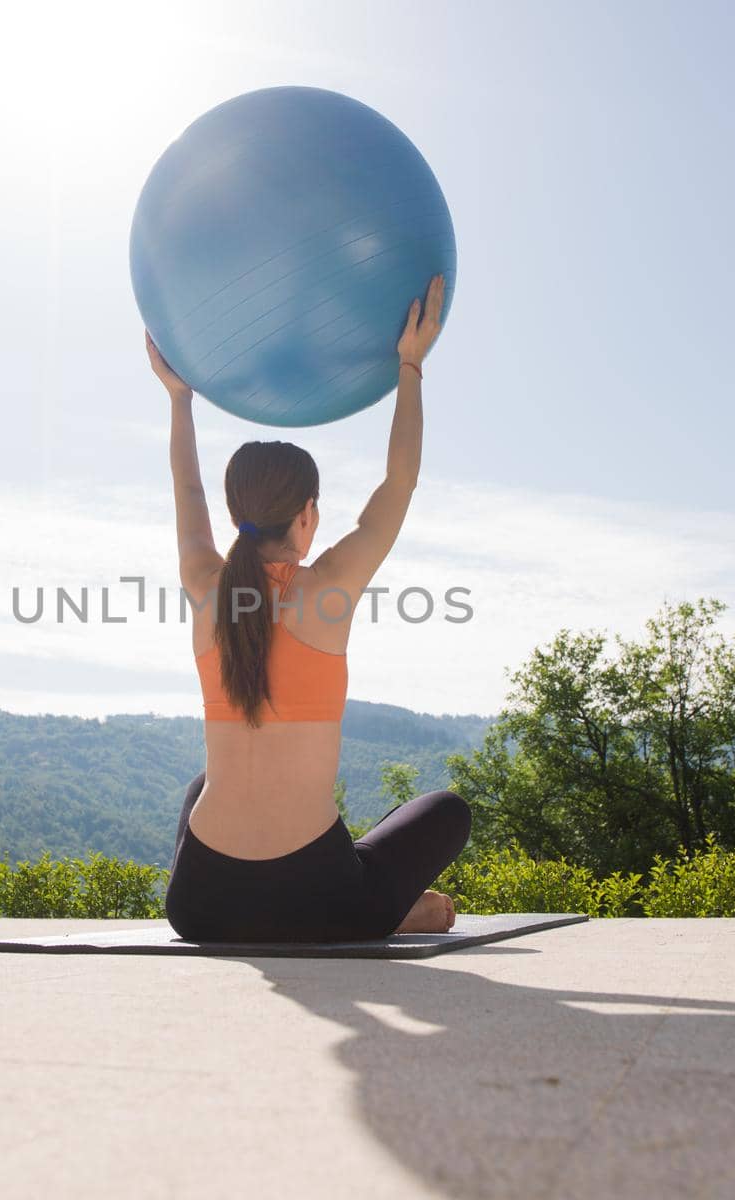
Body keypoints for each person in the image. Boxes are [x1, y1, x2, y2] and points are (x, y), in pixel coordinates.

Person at [147, 273, 473, 943]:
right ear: (307, 516)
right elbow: (399, 482)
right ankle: (389, 908)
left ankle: (370, 903)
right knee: (447, 811)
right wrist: (409, 367)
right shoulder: (328, 588)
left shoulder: (206, 584)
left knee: (204, 783)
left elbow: (186, 486)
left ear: (238, 517)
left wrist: (179, 398)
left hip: (201, 905)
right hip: (320, 898)